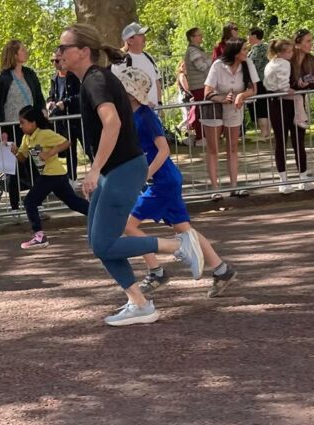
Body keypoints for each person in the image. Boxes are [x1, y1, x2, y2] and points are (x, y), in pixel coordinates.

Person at [56, 24, 205, 327]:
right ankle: (139, 303)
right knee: (99, 241)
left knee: (103, 243)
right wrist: (97, 169)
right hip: (117, 170)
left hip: (121, 171)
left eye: (63, 48)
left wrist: (94, 171)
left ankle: (179, 247)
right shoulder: (93, 80)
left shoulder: (96, 81)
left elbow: (112, 125)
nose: (57, 54)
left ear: (83, 52)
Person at [116, 67, 237, 299]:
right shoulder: (132, 115)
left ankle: (156, 271)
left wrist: (146, 174)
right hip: (165, 181)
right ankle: (221, 270)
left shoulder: (145, 116)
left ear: (131, 92)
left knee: (129, 226)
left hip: (162, 183)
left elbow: (164, 149)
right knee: (185, 230)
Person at [11, 106, 89, 249]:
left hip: (52, 174)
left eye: (23, 122)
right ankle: (101, 216)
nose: (20, 126)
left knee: (30, 201)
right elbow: (22, 158)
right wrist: (16, 152)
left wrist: (50, 153)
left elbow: (66, 142)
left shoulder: (45, 134)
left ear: (33, 122)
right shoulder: (27, 138)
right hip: (54, 176)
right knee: (73, 202)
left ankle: (39, 236)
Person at [0, 40, 46, 210]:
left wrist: (42, 110)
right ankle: (14, 206)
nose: (25, 52)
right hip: (12, 128)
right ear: (14, 54)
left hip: (32, 129)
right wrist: (2, 130)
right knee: (13, 169)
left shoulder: (30, 74)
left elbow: (38, 96)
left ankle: (36, 202)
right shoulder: (3, 78)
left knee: (36, 164)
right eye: (22, 50)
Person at [202, 38, 259, 200]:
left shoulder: (247, 64)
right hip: (214, 108)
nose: (246, 52)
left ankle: (234, 185)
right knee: (214, 149)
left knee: (233, 147)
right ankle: (214, 188)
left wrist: (241, 95)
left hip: (234, 108)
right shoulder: (218, 65)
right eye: (243, 50)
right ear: (234, 52)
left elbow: (253, 88)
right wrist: (221, 98)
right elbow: (208, 91)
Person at [264, 38, 307, 194]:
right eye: (289, 52)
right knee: (295, 140)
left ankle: (285, 179)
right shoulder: (283, 64)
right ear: (281, 52)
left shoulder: (270, 64)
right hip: (283, 103)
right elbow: (283, 85)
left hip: (274, 102)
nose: (291, 54)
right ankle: (302, 177)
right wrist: (290, 90)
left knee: (281, 141)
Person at [290, 28, 314, 190]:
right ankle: (283, 179)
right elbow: (284, 82)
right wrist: (297, 85)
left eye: (311, 41)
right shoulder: (288, 60)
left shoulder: (313, 61)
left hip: (299, 104)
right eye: (308, 41)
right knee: (282, 142)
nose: (311, 44)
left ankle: (303, 176)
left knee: (299, 141)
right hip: (283, 103)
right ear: (298, 43)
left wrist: (307, 84)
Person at [46, 49, 82, 180]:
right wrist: (50, 102)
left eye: (57, 60)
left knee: (88, 147)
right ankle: (72, 178)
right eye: (53, 61)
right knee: (69, 149)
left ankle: (100, 174)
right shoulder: (54, 78)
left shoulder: (74, 76)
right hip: (63, 121)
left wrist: (65, 102)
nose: (55, 64)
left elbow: (79, 95)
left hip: (77, 118)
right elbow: (51, 95)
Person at [111, 22, 161, 108]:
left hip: (154, 111)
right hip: (135, 113)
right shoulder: (121, 61)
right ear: (130, 40)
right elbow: (121, 88)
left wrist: (159, 102)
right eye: (140, 35)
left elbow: (156, 80)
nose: (144, 37)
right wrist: (144, 103)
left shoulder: (148, 56)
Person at [184, 27, 210, 145]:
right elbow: (201, 66)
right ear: (192, 38)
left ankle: (202, 136)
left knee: (202, 110)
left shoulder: (196, 50)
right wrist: (212, 60)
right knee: (202, 110)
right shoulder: (193, 51)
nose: (201, 37)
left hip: (200, 84)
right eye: (199, 35)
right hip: (199, 85)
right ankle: (201, 137)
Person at [247, 27, 271, 140]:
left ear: (254, 36)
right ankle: (267, 132)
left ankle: (264, 133)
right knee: (265, 107)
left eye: (249, 35)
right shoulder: (266, 47)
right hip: (265, 81)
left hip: (259, 82)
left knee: (260, 107)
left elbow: (253, 67)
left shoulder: (258, 49)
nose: (248, 37)